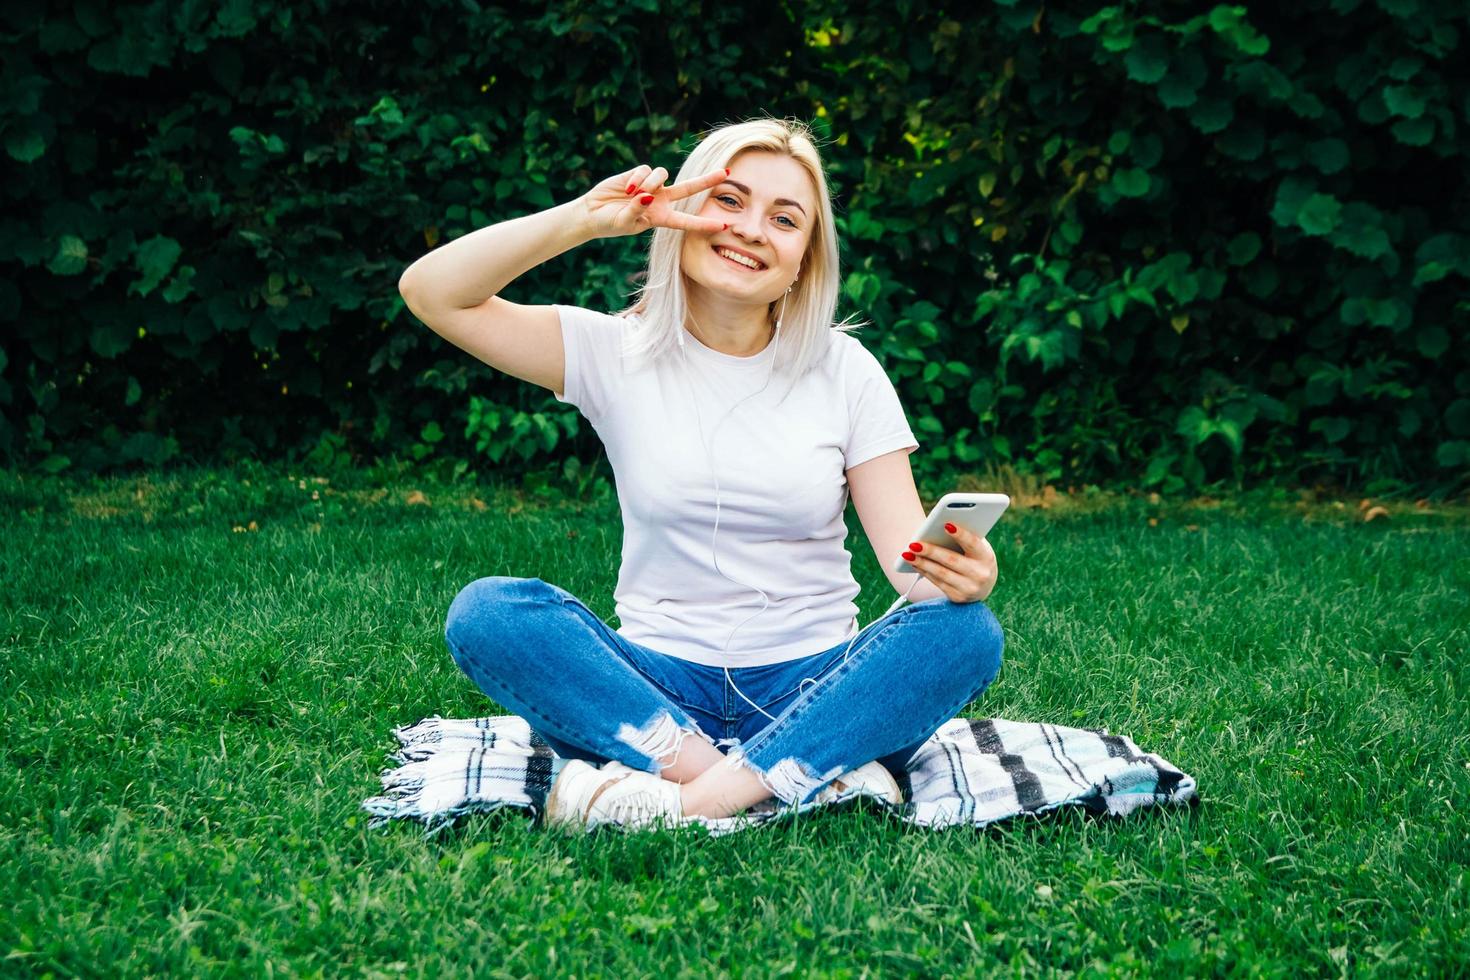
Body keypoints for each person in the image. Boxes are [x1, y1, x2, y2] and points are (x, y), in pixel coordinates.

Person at [397, 116, 1004, 832]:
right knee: (489, 614)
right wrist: (586, 220)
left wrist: (961, 572)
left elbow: (911, 570)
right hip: (655, 693)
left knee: (966, 633)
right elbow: (433, 292)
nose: (751, 229)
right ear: (682, 214)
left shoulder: (846, 372)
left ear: (806, 258)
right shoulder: (612, 352)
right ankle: (788, 775)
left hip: (814, 683)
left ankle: (685, 804)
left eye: (785, 219)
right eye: (729, 200)